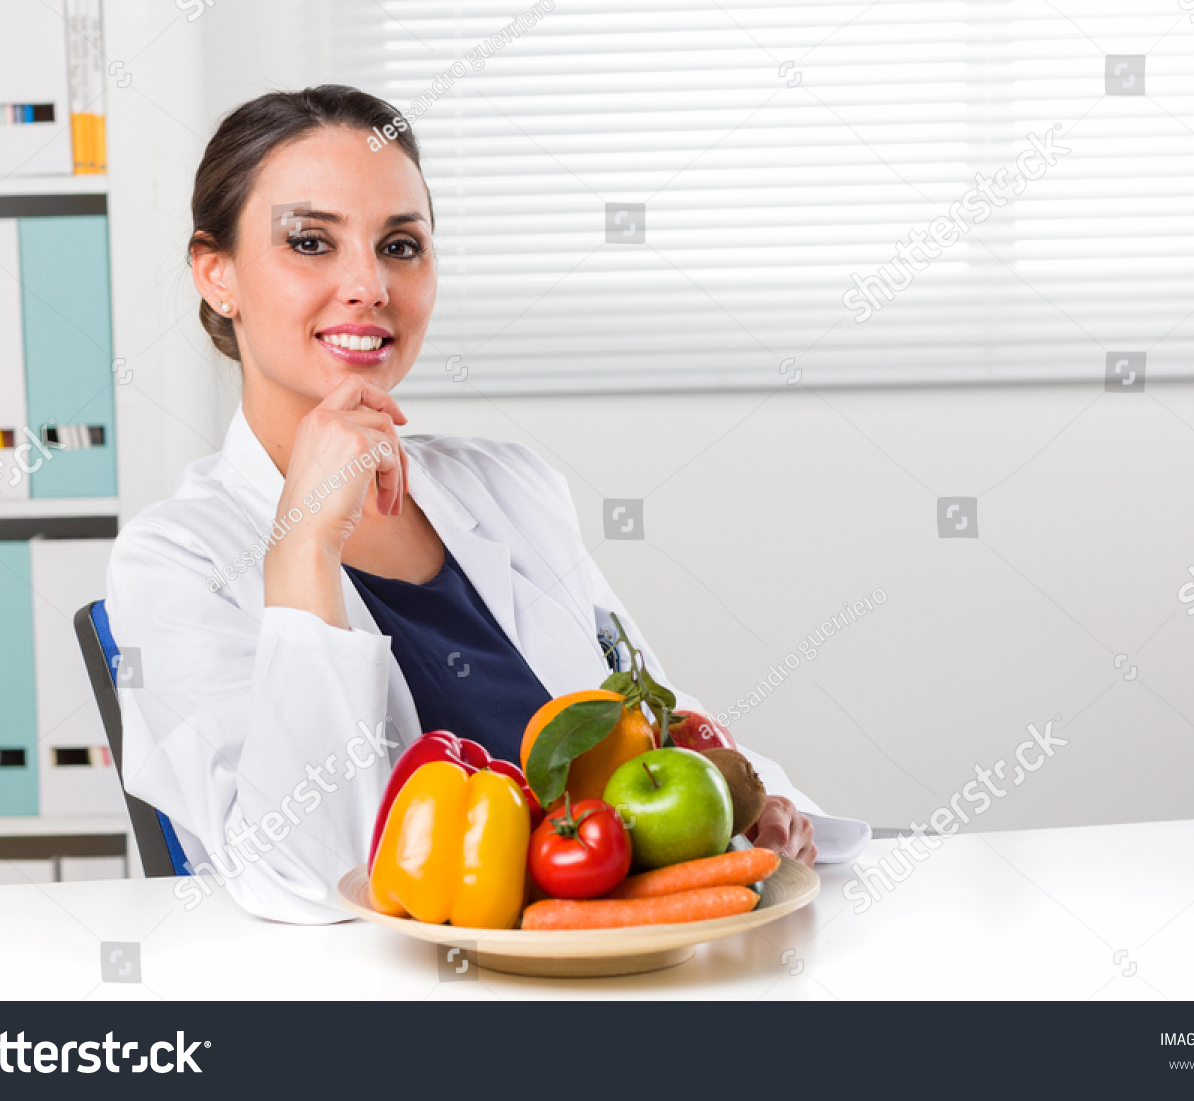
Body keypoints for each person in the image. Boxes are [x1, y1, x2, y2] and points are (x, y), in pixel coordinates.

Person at [106, 85, 817, 924]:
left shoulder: (511, 485)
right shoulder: (174, 559)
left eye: (400, 244)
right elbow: (313, 874)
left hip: (615, 962)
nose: (368, 285)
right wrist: (303, 550)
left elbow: (656, 725)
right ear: (215, 273)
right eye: (310, 242)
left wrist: (758, 802)